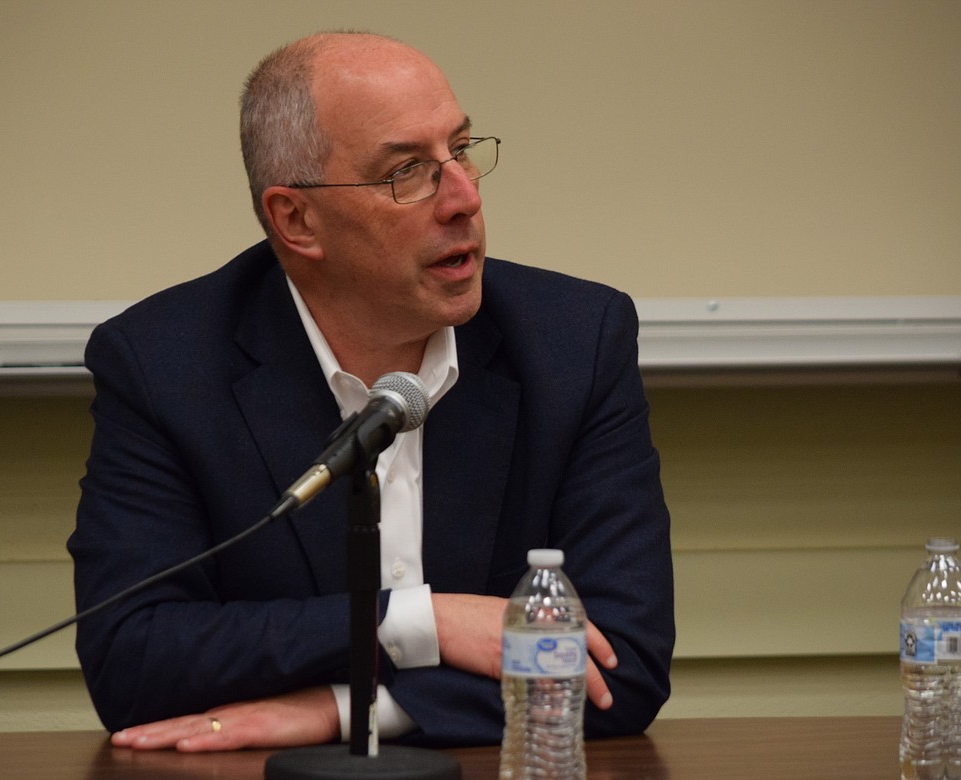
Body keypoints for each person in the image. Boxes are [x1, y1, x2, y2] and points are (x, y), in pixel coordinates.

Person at [67, 31, 674, 752]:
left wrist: (344, 709)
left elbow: (619, 665)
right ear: (296, 219)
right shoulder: (165, 364)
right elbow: (134, 658)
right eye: (408, 171)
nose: (464, 197)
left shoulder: (575, 343)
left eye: (463, 148)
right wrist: (426, 621)